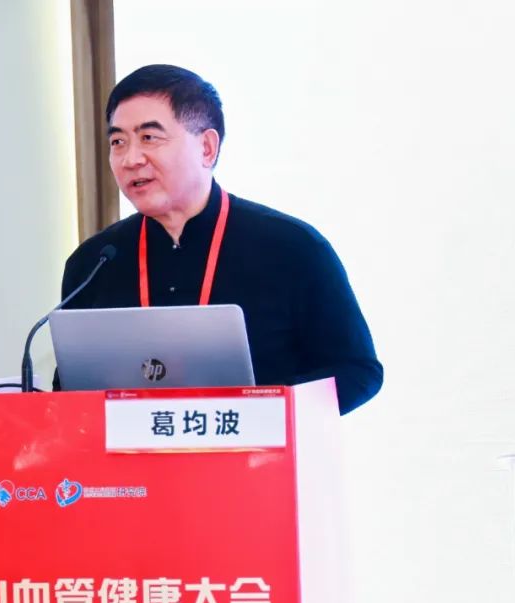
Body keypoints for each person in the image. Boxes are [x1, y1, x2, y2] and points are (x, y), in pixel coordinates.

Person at [59, 64, 382, 414]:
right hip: (130, 452)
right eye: (118, 142)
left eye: (149, 138)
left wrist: (265, 412)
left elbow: (357, 372)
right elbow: (68, 391)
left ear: (207, 148)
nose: (130, 159)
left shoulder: (293, 248)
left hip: (260, 447)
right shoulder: (95, 263)